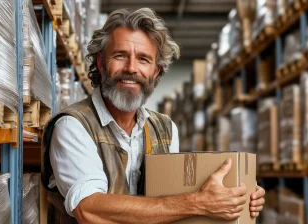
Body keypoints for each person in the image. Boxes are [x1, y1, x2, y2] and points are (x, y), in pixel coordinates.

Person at [41, 8, 265, 223]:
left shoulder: (165, 128)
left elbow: (174, 203)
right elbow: (89, 210)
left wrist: (238, 197)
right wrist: (198, 203)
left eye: (143, 59)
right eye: (120, 55)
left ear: (156, 71)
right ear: (100, 63)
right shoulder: (73, 125)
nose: (131, 68)